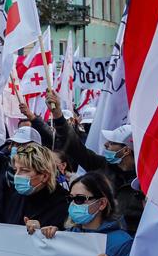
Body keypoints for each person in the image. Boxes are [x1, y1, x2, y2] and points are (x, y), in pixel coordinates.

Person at [47, 90, 143, 235]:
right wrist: (58, 115)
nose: (105, 146)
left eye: (111, 143)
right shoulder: (102, 166)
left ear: (126, 151)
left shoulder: (144, 182)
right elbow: (76, 148)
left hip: (127, 245)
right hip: (96, 238)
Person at [0, 142, 68, 229]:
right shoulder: (12, 196)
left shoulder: (64, 204)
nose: (17, 175)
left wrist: (42, 228)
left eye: (24, 170)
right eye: (16, 170)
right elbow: (0, 222)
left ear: (44, 176)